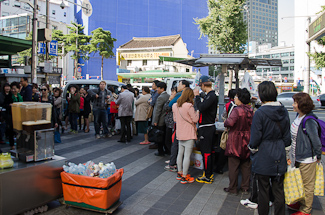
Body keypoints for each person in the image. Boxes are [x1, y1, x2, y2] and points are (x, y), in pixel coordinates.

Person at [248, 81, 291, 215]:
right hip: (279, 152)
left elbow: (255, 137)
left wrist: (253, 149)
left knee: (263, 190)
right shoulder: (283, 111)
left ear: (261, 95)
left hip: (264, 153)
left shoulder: (260, 112)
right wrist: (287, 153)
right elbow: (287, 136)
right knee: (279, 190)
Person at [287, 92, 322, 215]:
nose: (293, 104)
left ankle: (306, 209)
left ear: (301, 104)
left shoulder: (309, 121)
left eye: (295, 102)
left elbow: (316, 141)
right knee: (299, 181)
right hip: (298, 156)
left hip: (308, 158)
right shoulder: (298, 116)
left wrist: (318, 156)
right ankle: (300, 202)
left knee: (308, 184)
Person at [223, 88, 254, 195]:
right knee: (246, 165)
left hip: (236, 139)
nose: (235, 99)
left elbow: (229, 123)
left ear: (240, 98)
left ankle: (233, 188)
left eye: (236, 97)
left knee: (233, 165)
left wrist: (225, 121)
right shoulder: (250, 109)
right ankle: (245, 187)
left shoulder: (237, 110)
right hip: (247, 138)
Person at [193, 75, 218, 184]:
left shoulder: (211, 96)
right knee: (208, 152)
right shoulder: (210, 95)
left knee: (206, 153)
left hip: (206, 128)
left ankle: (208, 176)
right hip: (207, 127)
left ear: (203, 85)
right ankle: (208, 173)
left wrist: (197, 97)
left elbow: (202, 107)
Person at [173, 87, 199, 184]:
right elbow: (195, 119)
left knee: (180, 153)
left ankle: (179, 173)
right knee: (187, 156)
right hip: (189, 133)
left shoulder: (175, 105)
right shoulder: (189, 106)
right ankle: (185, 176)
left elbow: (175, 120)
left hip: (179, 132)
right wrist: (198, 113)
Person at [152, 82, 170, 156]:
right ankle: (166, 150)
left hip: (160, 120)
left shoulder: (160, 97)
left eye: (158, 88)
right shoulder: (168, 96)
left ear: (162, 89)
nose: (157, 90)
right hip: (166, 120)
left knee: (159, 136)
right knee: (165, 136)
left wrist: (155, 121)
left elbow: (158, 110)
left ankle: (160, 151)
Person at [164, 87, 178, 171]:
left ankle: (173, 160)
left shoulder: (175, 102)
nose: (171, 94)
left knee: (171, 142)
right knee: (169, 141)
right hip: (169, 123)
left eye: (173, 92)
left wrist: (170, 100)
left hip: (172, 124)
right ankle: (172, 158)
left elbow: (166, 108)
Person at [0, 83, 14, 149]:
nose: (7, 88)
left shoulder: (11, 94)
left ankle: (11, 143)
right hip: (3, 113)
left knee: (10, 127)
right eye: (6, 87)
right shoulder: (1, 95)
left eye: (8, 87)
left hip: (11, 113)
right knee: (3, 126)